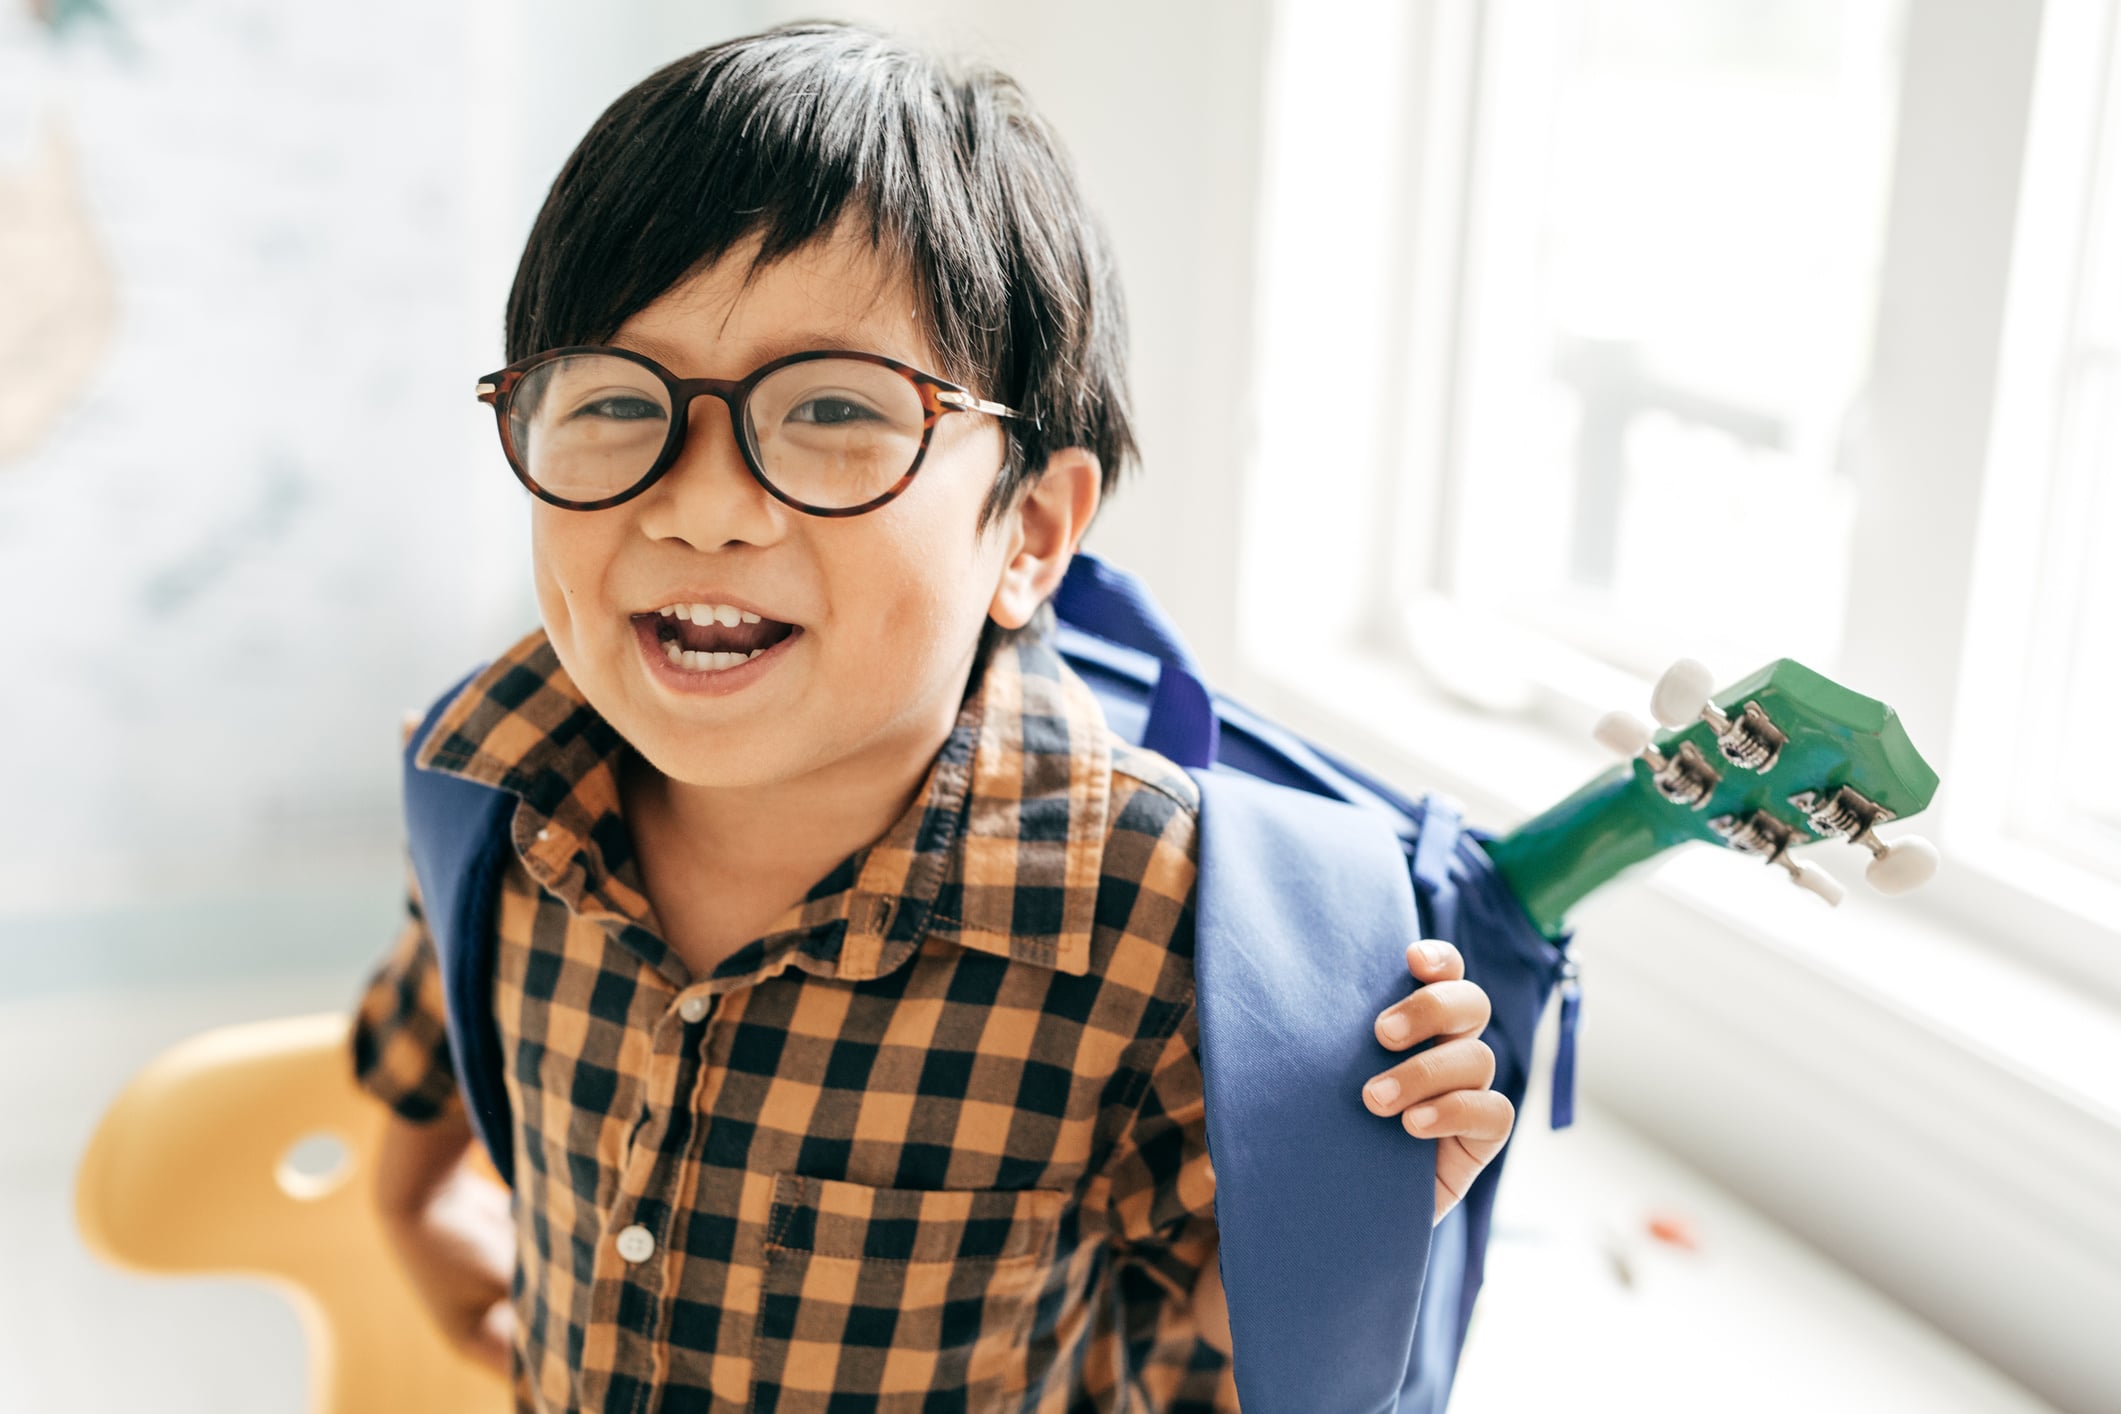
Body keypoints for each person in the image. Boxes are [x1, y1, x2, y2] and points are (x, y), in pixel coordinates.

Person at [349, 19, 1515, 1410]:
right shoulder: (494, 770)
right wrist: (419, 1217)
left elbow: (1193, 1355)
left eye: (833, 405)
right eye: (611, 396)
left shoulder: (1154, 925)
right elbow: (433, 1036)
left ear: (1025, 532)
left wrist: (1359, 1205)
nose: (701, 503)